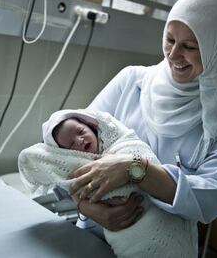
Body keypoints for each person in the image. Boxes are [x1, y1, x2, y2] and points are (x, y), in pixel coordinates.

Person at [68, 0, 217, 255]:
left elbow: (214, 194)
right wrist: (87, 209)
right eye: (169, 39)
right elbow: (68, 153)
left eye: (190, 46)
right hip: (94, 235)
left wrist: (136, 169)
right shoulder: (131, 81)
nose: (174, 54)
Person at [18, 109, 196, 257]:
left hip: (159, 212)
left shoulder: (120, 141)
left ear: (93, 127)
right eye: (71, 145)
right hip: (112, 234)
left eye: (81, 132)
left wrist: (130, 166)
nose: (79, 141)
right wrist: (83, 205)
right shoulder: (79, 163)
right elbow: (68, 181)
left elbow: (141, 155)